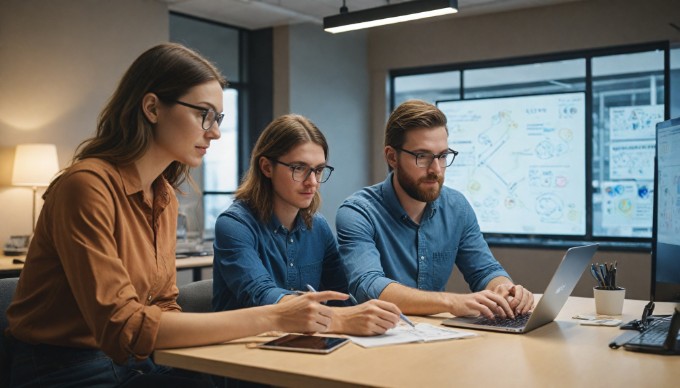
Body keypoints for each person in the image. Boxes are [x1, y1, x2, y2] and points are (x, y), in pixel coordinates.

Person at [5, 43, 346, 388]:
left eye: (218, 119)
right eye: (204, 114)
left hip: (135, 362)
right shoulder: (85, 186)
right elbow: (125, 325)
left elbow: (163, 305)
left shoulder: (163, 195)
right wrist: (273, 316)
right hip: (64, 368)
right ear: (152, 108)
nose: (214, 132)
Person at [336, 99, 534, 320]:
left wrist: (505, 289)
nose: (436, 170)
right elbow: (368, 286)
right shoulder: (358, 212)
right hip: (379, 338)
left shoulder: (457, 207)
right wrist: (451, 302)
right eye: (422, 157)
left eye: (442, 156)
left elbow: (485, 270)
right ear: (392, 157)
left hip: (435, 336)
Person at [212, 114, 402, 336]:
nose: (312, 182)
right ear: (266, 167)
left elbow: (343, 296)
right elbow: (263, 296)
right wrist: (343, 319)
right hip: (240, 356)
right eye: (299, 168)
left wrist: (369, 310)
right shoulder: (234, 225)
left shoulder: (318, 227)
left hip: (300, 348)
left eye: (319, 170)